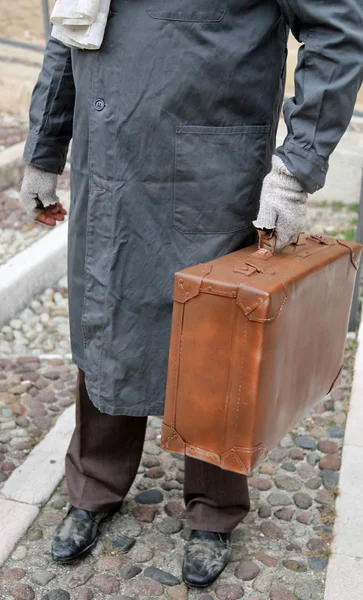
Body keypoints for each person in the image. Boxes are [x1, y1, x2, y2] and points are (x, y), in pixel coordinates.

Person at [20, 0, 363, 589]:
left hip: (211, 167)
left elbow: (337, 30)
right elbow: (70, 25)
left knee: (214, 333)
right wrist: (44, 151)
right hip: (107, 163)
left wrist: (295, 168)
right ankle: (95, 486)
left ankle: (214, 507)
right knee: (107, 319)